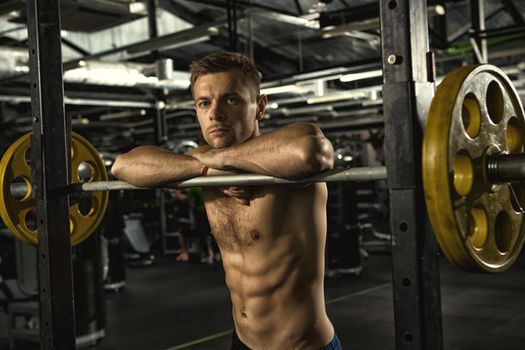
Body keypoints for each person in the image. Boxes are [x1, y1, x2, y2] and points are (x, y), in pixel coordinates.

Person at [111, 52, 340, 350]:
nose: (215, 114)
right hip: (242, 342)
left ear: (259, 107)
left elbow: (314, 151)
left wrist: (220, 159)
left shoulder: (285, 159)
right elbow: (122, 166)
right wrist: (206, 168)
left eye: (230, 100)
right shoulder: (200, 163)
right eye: (204, 103)